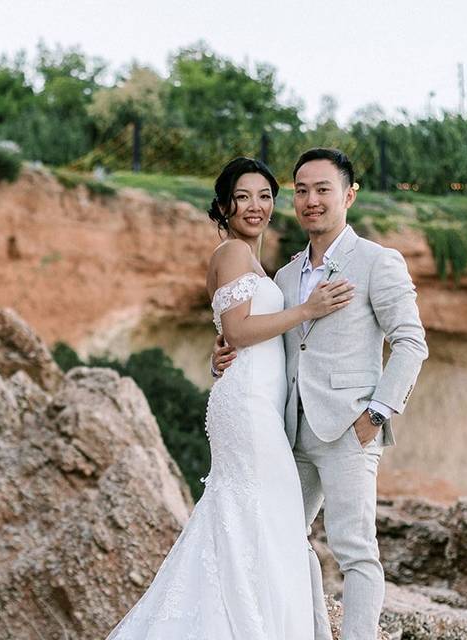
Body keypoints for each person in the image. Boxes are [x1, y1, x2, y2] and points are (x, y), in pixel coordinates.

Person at [106, 157, 354, 639]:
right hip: (248, 409)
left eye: (265, 196)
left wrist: (218, 353)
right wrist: (307, 308)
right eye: (243, 197)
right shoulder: (233, 254)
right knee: (268, 514)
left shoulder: (251, 262)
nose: (256, 206)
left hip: (250, 399)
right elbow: (238, 330)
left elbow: (228, 333)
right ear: (224, 206)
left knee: (251, 518)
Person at [212, 148, 428, 640]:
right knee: (288, 538)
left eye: (323, 189)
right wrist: (221, 351)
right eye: (302, 190)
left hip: (350, 429)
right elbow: (263, 336)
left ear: (348, 195)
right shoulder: (285, 276)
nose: (311, 200)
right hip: (288, 431)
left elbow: (412, 343)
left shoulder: (377, 261)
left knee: (356, 550)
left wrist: (376, 414)